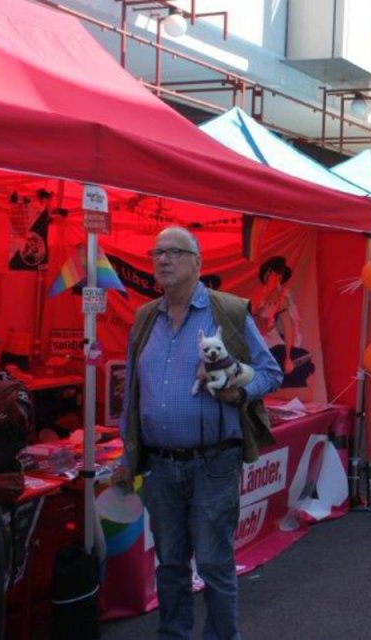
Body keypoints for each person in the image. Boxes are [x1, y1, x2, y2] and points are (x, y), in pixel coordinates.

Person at [116, 227, 283, 639]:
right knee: (170, 563)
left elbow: (270, 372)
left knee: (213, 562)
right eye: (157, 253)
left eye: (174, 252)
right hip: (160, 465)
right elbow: (132, 391)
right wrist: (127, 450)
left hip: (214, 462)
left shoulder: (227, 311)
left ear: (197, 262)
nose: (163, 260)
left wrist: (239, 391)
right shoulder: (144, 318)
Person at [250, 256, 315, 388]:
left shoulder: (282, 299)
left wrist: (288, 358)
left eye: (276, 275)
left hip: (276, 348)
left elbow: (288, 328)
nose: (272, 277)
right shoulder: (259, 299)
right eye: (269, 273)